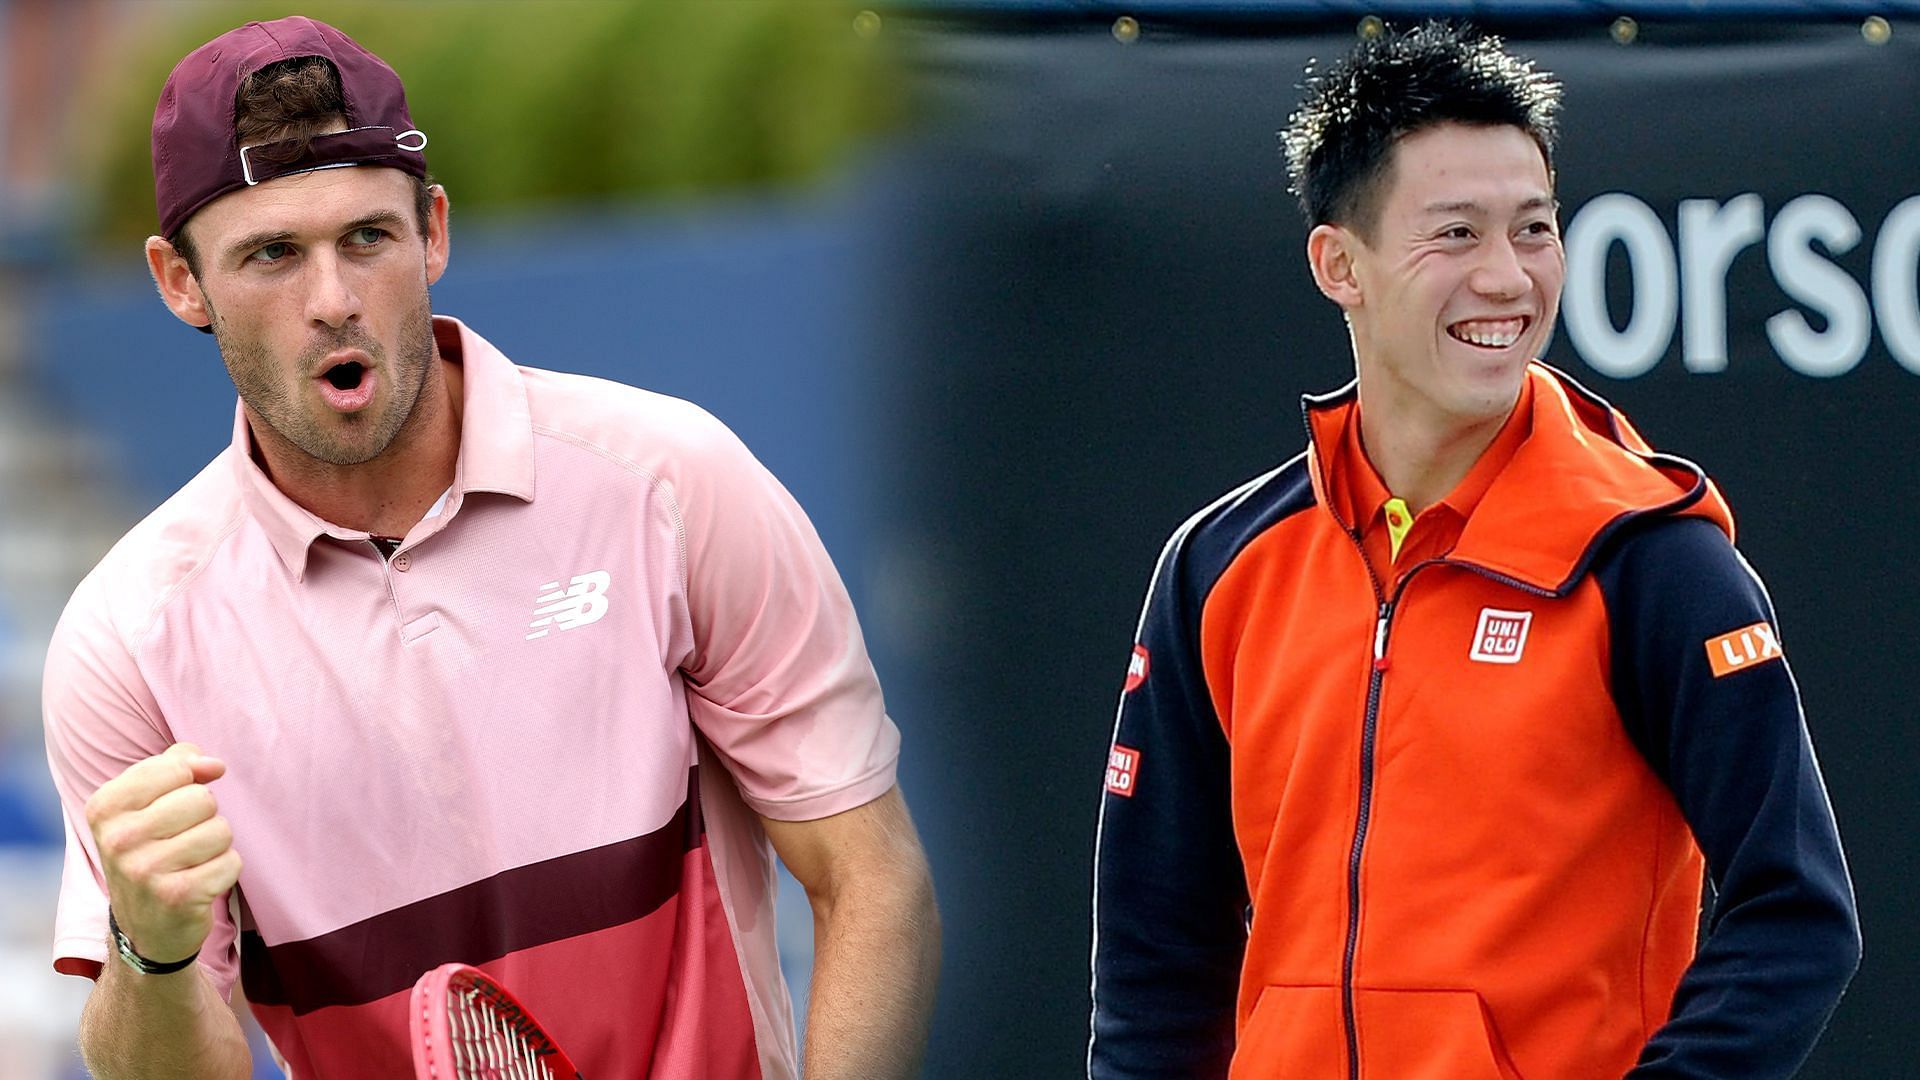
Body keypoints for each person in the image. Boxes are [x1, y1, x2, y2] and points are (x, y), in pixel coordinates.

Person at [41, 16, 937, 1079]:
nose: (332, 302)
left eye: (365, 239)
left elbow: (872, 881)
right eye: (272, 254)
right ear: (180, 282)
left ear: (433, 233)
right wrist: (150, 951)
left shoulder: (673, 482)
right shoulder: (127, 639)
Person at [1088, 22, 1858, 1080]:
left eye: (1535, 230)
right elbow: (1155, 957)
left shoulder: (1655, 562)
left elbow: (1799, 916)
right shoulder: (1222, 564)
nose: (1509, 278)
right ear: (1338, 265)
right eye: (1456, 234)